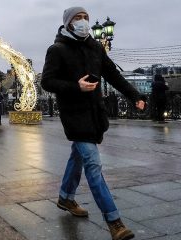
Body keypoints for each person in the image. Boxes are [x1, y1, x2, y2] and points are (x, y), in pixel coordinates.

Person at [41, 7, 145, 240]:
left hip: (95, 113)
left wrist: (135, 95)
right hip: (74, 115)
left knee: (78, 155)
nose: (83, 22)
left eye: (85, 17)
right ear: (68, 23)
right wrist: (74, 86)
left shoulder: (95, 47)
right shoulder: (57, 50)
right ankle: (114, 222)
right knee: (93, 165)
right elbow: (47, 81)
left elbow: (113, 75)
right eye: (78, 18)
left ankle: (66, 197)